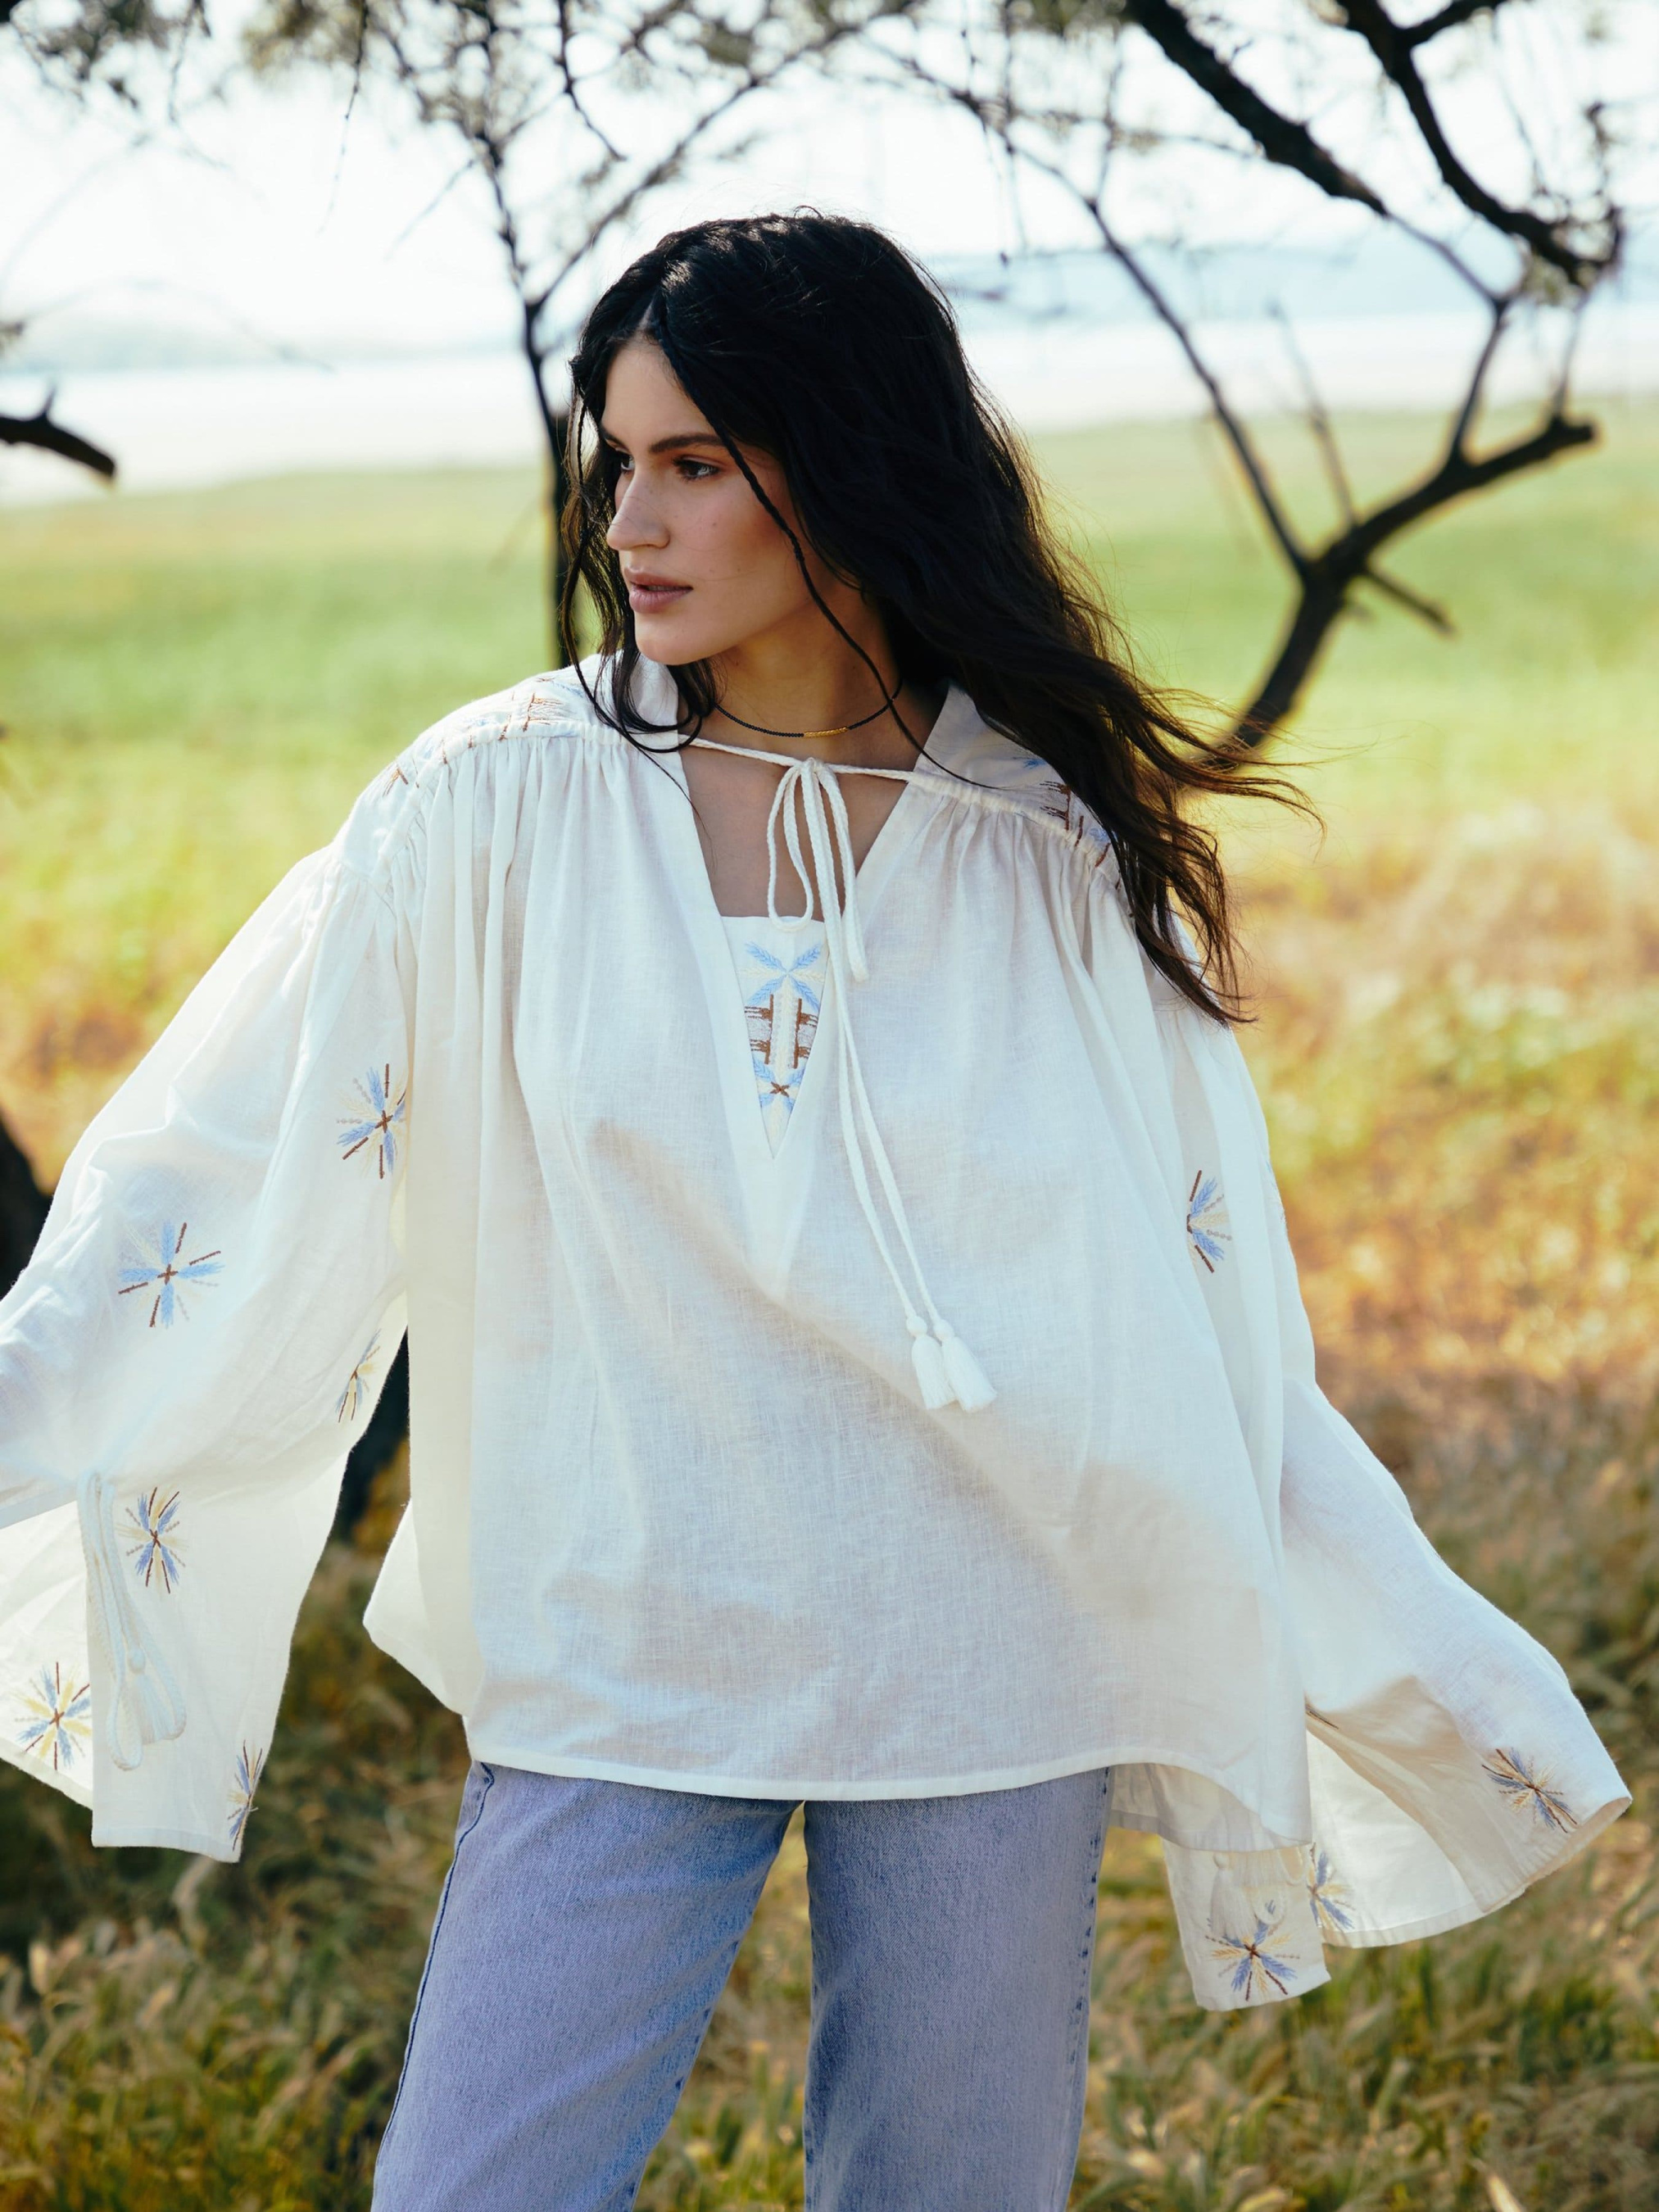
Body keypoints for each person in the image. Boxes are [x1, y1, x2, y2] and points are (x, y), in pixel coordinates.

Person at [0, 213, 1626, 2211]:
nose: (630, 522)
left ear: (844, 468)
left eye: (694, 464)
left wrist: (1388, 1624)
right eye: (618, 463)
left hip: (982, 1649)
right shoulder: (496, 806)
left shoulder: (1042, 849)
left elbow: (1192, 1309)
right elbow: (226, 1164)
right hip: (620, 1635)